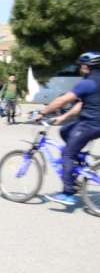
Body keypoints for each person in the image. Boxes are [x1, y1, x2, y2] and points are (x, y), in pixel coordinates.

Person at [35, 51, 100, 206]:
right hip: (93, 124)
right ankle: (77, 163)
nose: (80, 69)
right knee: (64, 131)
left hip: (90, 124)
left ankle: (68, 193)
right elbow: (81, 104)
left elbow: (62, 100)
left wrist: (43, 112)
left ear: (86, 66)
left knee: (67, 155)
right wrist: (63, 117)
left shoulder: (87, 83)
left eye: (81, 66)